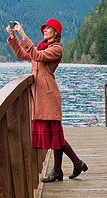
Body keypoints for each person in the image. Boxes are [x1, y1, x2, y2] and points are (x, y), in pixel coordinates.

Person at [6, 19, 87, 182]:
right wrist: (13, 37)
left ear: (56, 32)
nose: (45, 30)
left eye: (48, 28)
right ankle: (70, 165)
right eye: (44, 28)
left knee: (55, 135)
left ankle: (65, 167)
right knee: (55, 135)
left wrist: (23, 34)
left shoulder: (56, 49)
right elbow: (22, 54)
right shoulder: (42, 46)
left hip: (48, 96)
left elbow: (35, 55)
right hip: (41, 95)